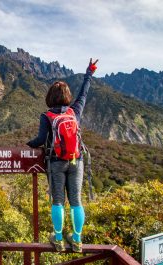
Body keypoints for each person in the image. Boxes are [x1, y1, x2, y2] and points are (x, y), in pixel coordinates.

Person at [26, 59, 98, 253]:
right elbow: (84, 93)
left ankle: (57, 239)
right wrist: (89, 73)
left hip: (56, 163)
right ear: (67, 96)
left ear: (50, 97)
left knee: (58, 200)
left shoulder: (47, 116)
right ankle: (77, 240)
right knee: (76, 201)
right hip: (76, 160)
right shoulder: (75, 112)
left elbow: (40, 140)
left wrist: (28, 145)